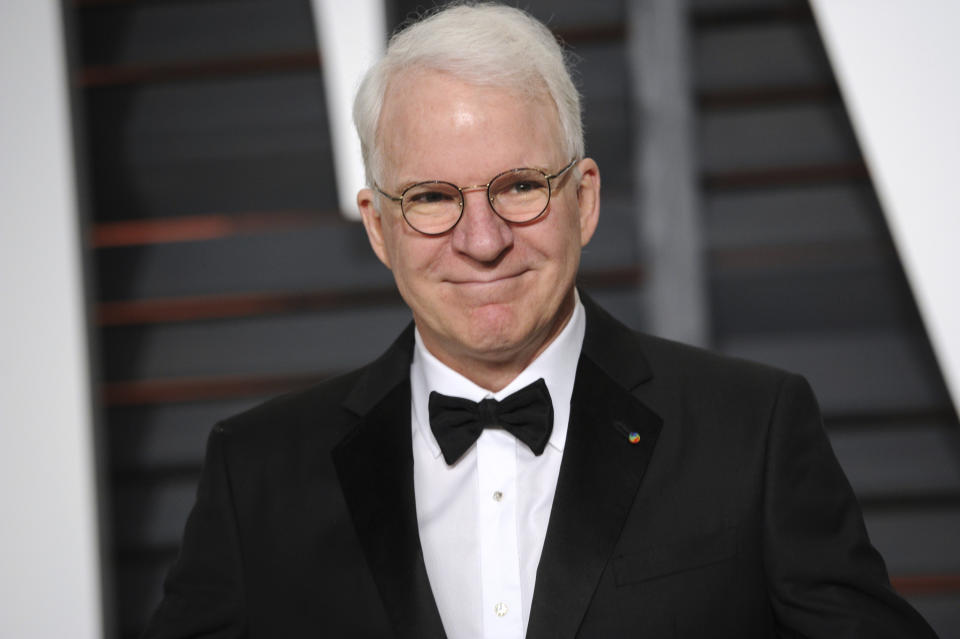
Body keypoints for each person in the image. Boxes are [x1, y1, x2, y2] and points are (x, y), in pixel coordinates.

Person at [143, 3, 938, 638]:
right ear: (379, 227)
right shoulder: (256, 474)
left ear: (583, 200)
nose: (482, 240)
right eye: (430, 198)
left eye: (520, 185)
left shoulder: (753, 431)